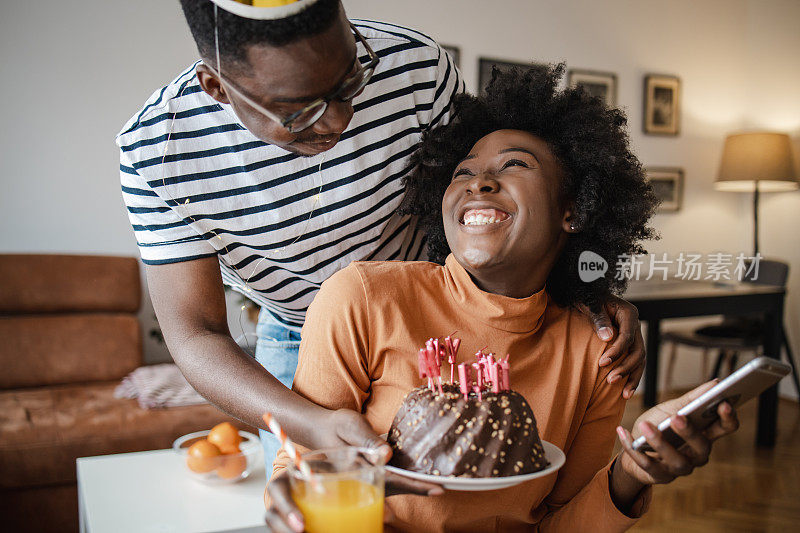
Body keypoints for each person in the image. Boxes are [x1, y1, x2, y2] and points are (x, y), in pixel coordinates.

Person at [116, 0, 645, 476]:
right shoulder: (157, 153)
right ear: (218, 87)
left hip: (435, 324)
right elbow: (195, 333)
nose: (342, 119)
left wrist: (581, 290)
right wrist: (310, 423)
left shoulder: (414, 67)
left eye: (350, 83)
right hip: (298, 339)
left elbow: (495, 206)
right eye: (300, 111)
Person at [264, 65, 740, 532]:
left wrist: (632, 472)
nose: (479, 182)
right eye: (462, 171)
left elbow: (557, 522)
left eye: (515, 164)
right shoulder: (364, 298)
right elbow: (305, 472)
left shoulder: (599, 350)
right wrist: (297, 503)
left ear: (572, 209)